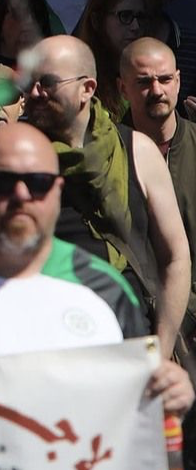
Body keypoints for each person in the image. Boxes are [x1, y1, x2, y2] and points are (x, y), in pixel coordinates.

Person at [0, 124, 193, 418]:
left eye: (38, 182)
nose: (21, 194)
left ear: (57, 192)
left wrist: (166, 393)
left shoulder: (106, 291)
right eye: (2, 181)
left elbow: (134, 413)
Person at [21, 33, 189, 353]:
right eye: (29, 82)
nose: (34, 92)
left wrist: (162, 349)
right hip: (46, 343)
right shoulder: (16, 157)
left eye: (47, 82)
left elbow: (176, 257)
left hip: (128, 340)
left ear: (87, 89)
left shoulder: (137, 151)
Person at [119, 37, 196, 345]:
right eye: (143, 82)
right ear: (123, 88)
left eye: (165, 79)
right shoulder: (108, 156)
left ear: (178, 81)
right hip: (137, 324)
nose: (157, 91)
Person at [75, 0, 151, 103]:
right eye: (125, 16)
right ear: (96, 20)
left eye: (140, 17)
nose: (136, 26)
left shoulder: (152, 74)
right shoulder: (78, 76)